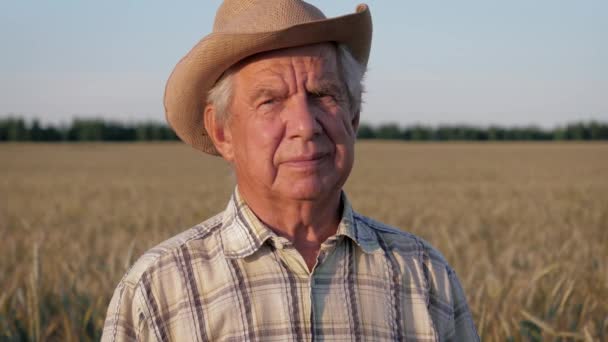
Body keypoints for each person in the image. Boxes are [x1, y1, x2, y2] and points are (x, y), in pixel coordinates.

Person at [102, 0, 479, 341]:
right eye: (271, 101)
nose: (304, 124)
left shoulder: (426, 277)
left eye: (323, 95)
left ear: (354, 116)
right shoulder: (158, 290)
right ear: (222, 131)